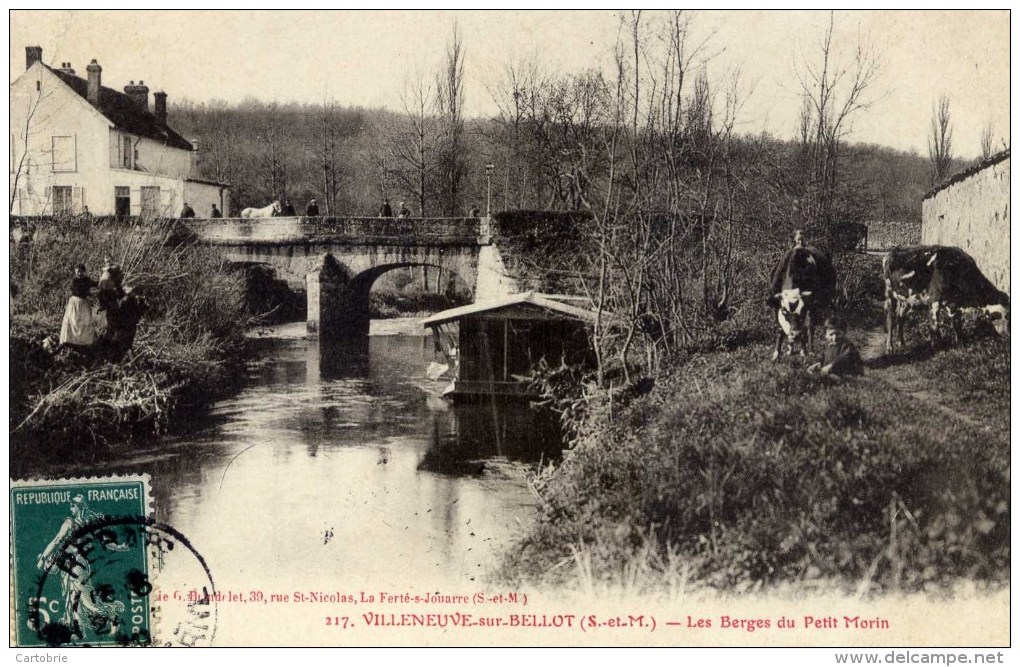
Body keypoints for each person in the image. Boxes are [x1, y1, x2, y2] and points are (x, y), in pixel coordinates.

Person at [37, 495, 126, 639]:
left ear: (79, 507)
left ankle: (113, 614)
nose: (70, 509)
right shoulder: (89, 523)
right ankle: (79, 631)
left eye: (73, 506)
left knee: (86, 602)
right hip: (75, 565)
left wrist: (43, 558)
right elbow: (105, 541)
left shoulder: (69, 523)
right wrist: (120, 547)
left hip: (75, 566)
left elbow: (56, 541)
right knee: (74, 599)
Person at [59, 264, 97, 348]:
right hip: (75, 302)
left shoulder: (87, 280)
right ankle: (70, 340)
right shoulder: (74, 281)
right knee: (73, 320)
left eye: (80, 271)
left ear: (84, 272)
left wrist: (102, 282)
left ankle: (83, 342)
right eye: (77, 272)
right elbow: (78, 290)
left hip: (84, 303)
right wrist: (89, 293)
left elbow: (94, 284)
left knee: (84, 321)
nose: (79, 273)